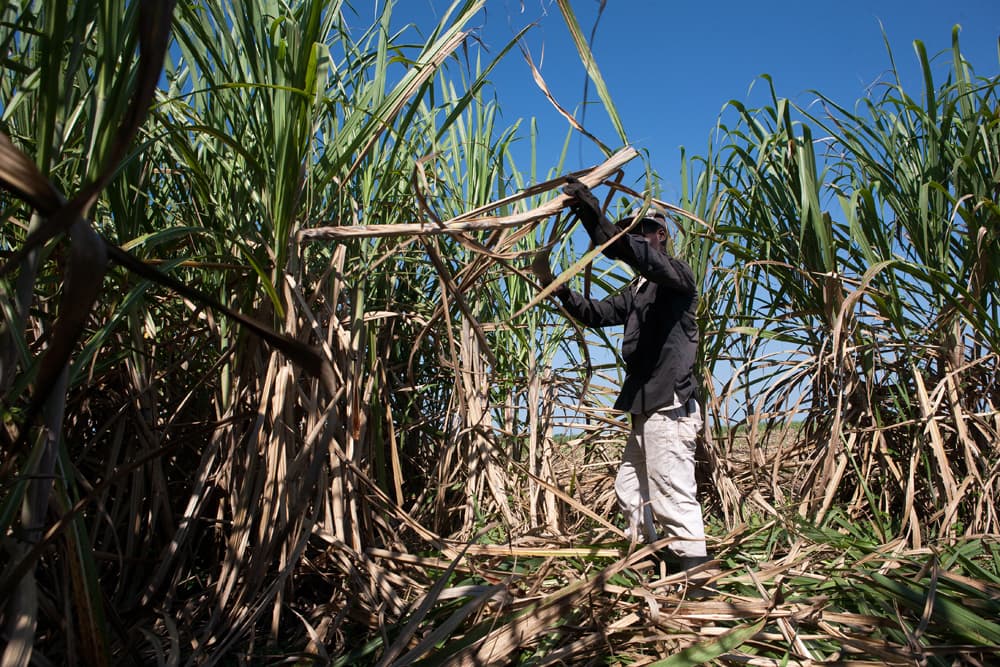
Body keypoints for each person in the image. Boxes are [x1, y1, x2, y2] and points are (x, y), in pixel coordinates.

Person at [532, 178, 708, 571]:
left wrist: (589, 209)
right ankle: (651, 561)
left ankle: (697, 584)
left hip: (669, 407)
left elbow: (627, 250)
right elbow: (596, 314)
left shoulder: (676, 276)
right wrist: (556, 287)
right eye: (631, 229)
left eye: (642, 230)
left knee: (673, 497)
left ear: (661, 235)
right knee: (631, 491)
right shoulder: (638, 290)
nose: (635, 236)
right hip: (646, 410)